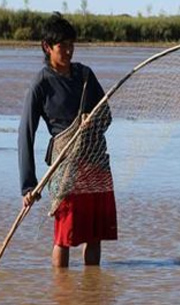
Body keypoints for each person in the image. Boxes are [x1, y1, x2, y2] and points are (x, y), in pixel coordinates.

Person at [18, 12, 117, 267]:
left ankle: (90, 292)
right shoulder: (41, 84)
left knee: (95, 234)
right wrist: (28, 186)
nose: (69, 51)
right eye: (63, 46)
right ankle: (62, 295)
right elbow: (25, 135)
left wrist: (91, 121)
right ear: (47, 47)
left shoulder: (85, 76)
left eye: (72, 44)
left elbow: (106, 116)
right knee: (64, 235)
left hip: (95, 163)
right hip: (66, 168)